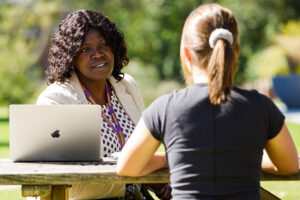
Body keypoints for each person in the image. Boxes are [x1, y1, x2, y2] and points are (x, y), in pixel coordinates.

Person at [117, 3, 299, 200]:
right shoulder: (261, 107)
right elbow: (289, 165)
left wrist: (167, 159)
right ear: (235, 51)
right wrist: (247, 159)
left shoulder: (165, 107)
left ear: (186, 55)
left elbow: (127, 167)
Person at [36, 10, 148, 199]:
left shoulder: (127, 86)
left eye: (103, 44)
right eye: (85, 49)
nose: (97, 54)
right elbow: (58, 175)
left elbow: (145, 152)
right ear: (71, 57)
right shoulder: (55, 100)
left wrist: (157, 183)